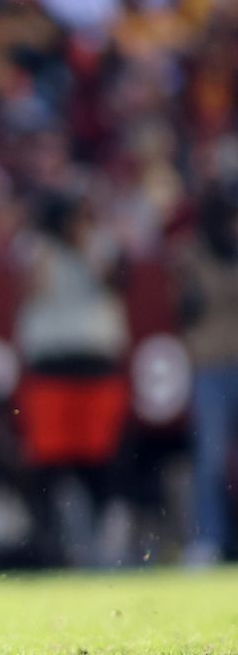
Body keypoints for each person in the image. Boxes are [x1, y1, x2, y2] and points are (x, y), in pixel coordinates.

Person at [14, 188, 132, 567]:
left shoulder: (101, 245)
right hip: (50, 367)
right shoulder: (37, 248)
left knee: (101, 458)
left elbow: (116, 280)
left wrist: (85, 246)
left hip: (95, 365)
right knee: (48, 461)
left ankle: (108, 544)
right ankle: (51, 547)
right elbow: (32, 286)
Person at [176, 179, 238, 566]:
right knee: (211, 459)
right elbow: (188, 310)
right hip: (212, 365)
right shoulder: (193, 256)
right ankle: (209, 539)